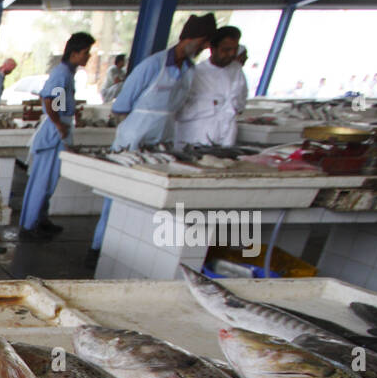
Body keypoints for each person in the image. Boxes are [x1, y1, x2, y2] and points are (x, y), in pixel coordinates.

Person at [92, 13, 216, 254]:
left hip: (163, 139)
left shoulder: (190, 70)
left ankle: (136, 248)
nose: (205, 47)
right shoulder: (152, 65)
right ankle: (99, 247)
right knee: (118, 195)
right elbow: (121, 106)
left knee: (151, 197)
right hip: (133, 139)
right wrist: (136, 128)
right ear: (189, 38)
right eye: (203, 41)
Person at [19, 33, 94, 242]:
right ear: (75, 53)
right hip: (54, 135)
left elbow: (57, 102)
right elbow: (49, 100)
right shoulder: (61, 73)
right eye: (86, 53)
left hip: (59, 130)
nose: (88, 57)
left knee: (49, 181)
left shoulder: (68, 74)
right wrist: (60, 124)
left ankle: (41, 220)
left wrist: (69, 114)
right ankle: (29, 225)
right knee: (42, 181)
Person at [174, 26, 247, 147]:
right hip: (196, 135)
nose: (231, 54)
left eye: (234, 50)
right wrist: (211, 105)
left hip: (226, 136)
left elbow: (241, 101)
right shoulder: (195, 73)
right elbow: (179, 111)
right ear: (213, 49)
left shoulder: (236, 70)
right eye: (226, 50)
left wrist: (234, 107)